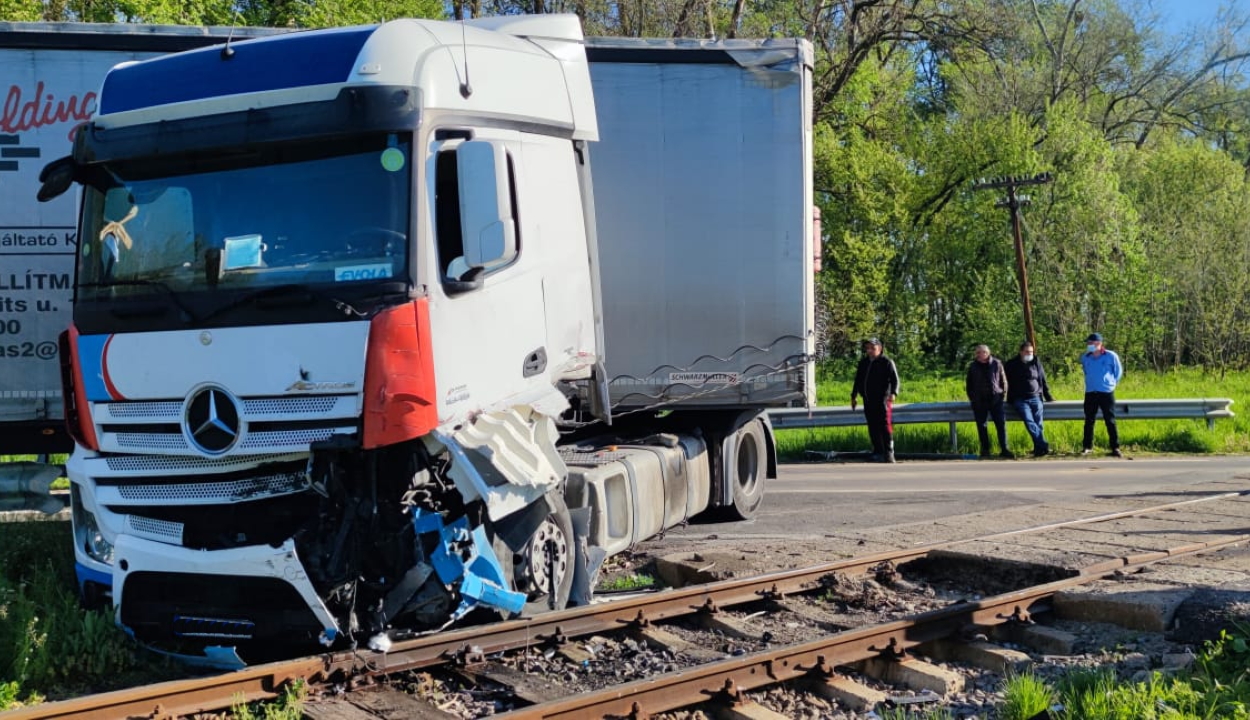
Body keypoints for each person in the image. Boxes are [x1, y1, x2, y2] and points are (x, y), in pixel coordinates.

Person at [850, 338, 900, 463]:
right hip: (868, 399)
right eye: (868, 348)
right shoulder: (864, 362)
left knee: (885, 426)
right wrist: (854, 396)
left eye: (873, 348)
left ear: (880, 349)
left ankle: (889, 453)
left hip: (883, 400)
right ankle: (878, 451)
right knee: (873, 426)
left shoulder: (886, 362)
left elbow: (895, 380)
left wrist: (893, 393)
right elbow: (858, 380)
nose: (870, 351)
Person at [1005, 341, 1055, 457]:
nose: (1030, 354)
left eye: (1031, 352)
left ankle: (1039, 450)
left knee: (1038, 423)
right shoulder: (1011, 364)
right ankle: (1043, 445)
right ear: (1021, 352)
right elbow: (1005, 381)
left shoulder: (1036, 361)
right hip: (1020, 399)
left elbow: (1042, 378)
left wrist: (1047, 395)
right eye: (1027, 352)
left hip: (1036, 397)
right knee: (1029, 421)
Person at [965, 344, 1013, 459]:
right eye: (977, 353)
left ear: (987, 353)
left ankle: (1005, 449)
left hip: (996, 400)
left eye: (981, 352)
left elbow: (1003, 381)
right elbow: (969, 384)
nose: (978, 355)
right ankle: (985, 450)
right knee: (982, 426)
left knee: (1001, 424)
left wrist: (1002, 395)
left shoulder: (997, 363)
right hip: (979, 401)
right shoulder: (973, 366)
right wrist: (973, 398)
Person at [1081, 332, 1124, 457]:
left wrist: (1111, 384)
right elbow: (1086, 371)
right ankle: (1087, 446)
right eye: (1088, 343)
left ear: (1099, 343)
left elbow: (1118, 372)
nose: (1089, 345)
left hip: (1106, 392)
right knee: (1089, 420)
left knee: (1110, 420)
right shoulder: (1085, 357)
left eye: (1091, 343)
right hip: (1090, 392)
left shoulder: (1111, 356)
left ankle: (1115, 447)